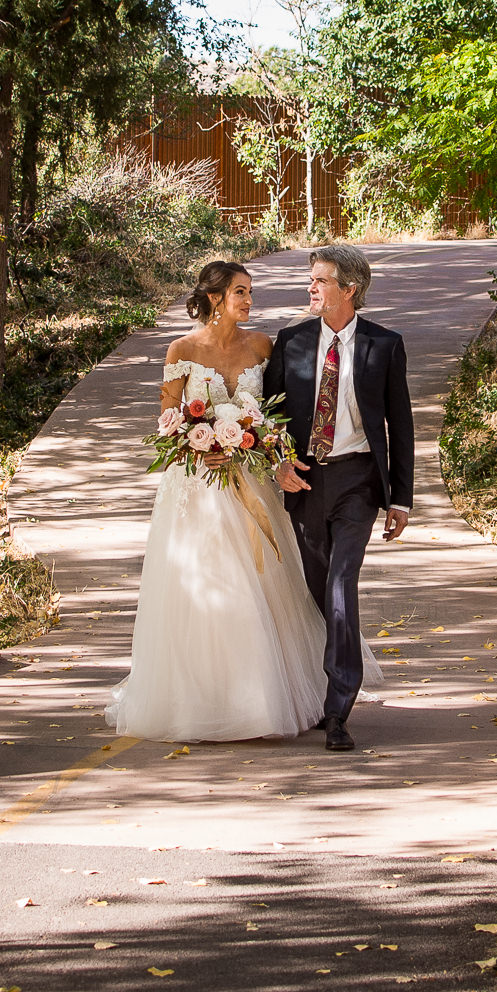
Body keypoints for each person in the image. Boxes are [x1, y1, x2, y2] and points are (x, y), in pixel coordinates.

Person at [106, 261, 380, 742]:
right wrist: (198, 443)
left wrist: (262, 447)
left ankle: (267, 698)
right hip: (197, 487)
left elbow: (281, 413)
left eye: (250, 292)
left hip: (251, 484)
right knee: (206, 587)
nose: (249, 301)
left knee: (263, 590)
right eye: (240, 292)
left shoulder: (262, 346)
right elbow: (168, 419)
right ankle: (202, 701)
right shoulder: (182, 349)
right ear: (214, 298)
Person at [265, 244, 413, 753]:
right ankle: (315, 687)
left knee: (341, 583)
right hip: (305, 481)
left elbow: (401, 426)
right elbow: (268, 418)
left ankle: (338, 709)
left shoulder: (385, 345)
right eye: (310, 279)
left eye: (320, 280)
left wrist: (401, 499)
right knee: (315, 591)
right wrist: (277, 464)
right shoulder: (291, 342)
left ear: (349, 289)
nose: (311, 288)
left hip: (358, 482)